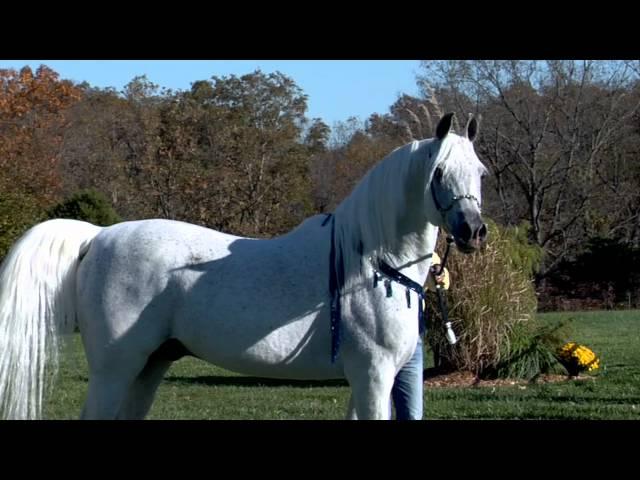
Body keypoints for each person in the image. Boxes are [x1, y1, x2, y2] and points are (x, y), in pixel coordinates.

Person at [391, 251, 450, 420]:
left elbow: (437, 280)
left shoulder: (422, 248)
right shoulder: (377, 241)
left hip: (411, 337)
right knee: (377, 411)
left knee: (412, 414)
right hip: (376, 338)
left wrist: (440, 273)